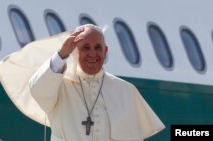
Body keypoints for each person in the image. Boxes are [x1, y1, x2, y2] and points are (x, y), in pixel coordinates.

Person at [28, 24, 165, 141]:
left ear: (105, 51)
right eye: (85, 48)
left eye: (98, 48)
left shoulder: (126, 91)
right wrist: (62, 54)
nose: (92, 54)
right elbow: (37, 89)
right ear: (75, 51)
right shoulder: (58, 86)